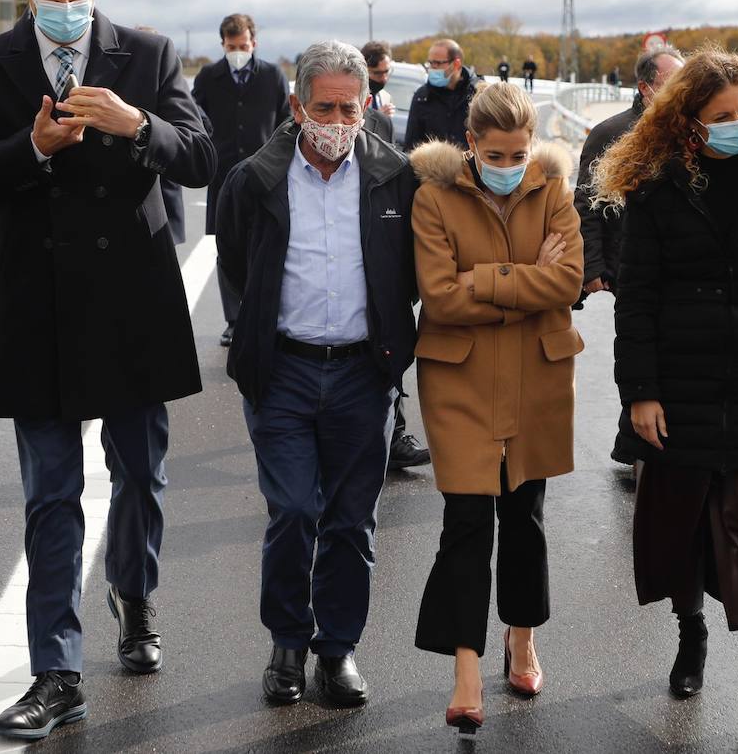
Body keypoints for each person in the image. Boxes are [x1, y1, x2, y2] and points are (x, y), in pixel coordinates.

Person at [0, 0, 215, 741]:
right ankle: (55, 672)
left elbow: (201, 158)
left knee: (142, 475)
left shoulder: (150, 57)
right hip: (39, 305)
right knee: (50, 494)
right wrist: (31, 147)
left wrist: (137, 124)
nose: (64, 2)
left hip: (134, 301)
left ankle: (135, 593)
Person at [592, 48, 738, 736]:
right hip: (677, 389)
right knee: (679, 526)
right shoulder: (658, 188)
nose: (737, 123)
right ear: (688, 123)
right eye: (721, 116)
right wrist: (641, 392)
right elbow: (638, 299)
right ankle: (692, 635)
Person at [216, 40, 417, 709]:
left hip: (363, 373)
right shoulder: (255, 179)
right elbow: (238, 270)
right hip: (285, 372)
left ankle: (337, 650)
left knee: (351, 520)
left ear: (366, 106)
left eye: (349, 108)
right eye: (323, 107)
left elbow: (411, 272)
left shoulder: (396, 177)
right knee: (295, 510)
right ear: (297, 105)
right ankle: (286, 641)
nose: (336, 121)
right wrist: (254, 349)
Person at [409, 84, 584, 737]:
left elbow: (567, 281)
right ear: (472, 143)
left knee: (525, 514)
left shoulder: (554, 190)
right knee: (467, 519)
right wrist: (521, 277)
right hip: (461, 379)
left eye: (521, 151)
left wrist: (480, 277)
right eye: (498, 152)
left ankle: (523, 638)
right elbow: (439, 297)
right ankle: (464, 668)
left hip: (537, 373)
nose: (511, 163)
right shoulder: (434, 196)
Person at [194, 13, 292, 347]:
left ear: (254, 43)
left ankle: (265, 316)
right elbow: (194, 115)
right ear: (223, 44)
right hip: (222, 175)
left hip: (266, 174)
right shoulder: (209, 76)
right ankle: (234, 321)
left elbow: (286, 121)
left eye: (244, 45)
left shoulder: (272, 75)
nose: (239, 50)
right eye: (232, 46)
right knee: (228, 247)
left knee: (266, 244)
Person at [359, 39, 430, 470]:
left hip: (381, 259)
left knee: (387, 352)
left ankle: (395, 434)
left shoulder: (381, 123)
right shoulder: (312, 122)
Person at [575, 45, 683, 299]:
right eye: (672, 83)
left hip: (681, 266)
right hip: (629, 269)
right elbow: (587, 202)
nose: (682, 90)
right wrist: (591, 267)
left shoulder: (691, 130)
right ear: (645, 88)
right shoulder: (610, 134)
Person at [404, 38, 478, 150]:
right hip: (432, 166)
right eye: (430, 63)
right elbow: (411, 146)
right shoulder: (422, 97)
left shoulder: (477, 94)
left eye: (438, 63)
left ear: (456, 64)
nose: (433, 68)